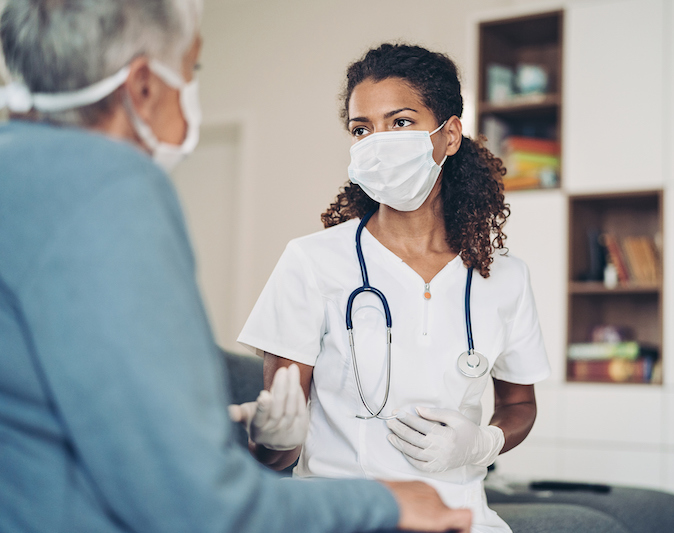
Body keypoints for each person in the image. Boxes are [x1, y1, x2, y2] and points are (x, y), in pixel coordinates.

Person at [0, 2, 471, 532]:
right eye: (191, 71)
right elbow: (197, 506)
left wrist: (220, 431)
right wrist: (389, 504)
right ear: (143, 87)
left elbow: (51, 417)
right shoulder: (109, 189)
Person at [236, 43, 551, 533]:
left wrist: (483, 443)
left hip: (460, 517)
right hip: (340, 517)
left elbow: (518, 405)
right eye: (362, 129)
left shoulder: (504, 278)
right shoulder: (312, 262)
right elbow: (276, 457)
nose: (377, 142)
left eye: (400, 122)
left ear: (448, 136)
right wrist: (273, 439)